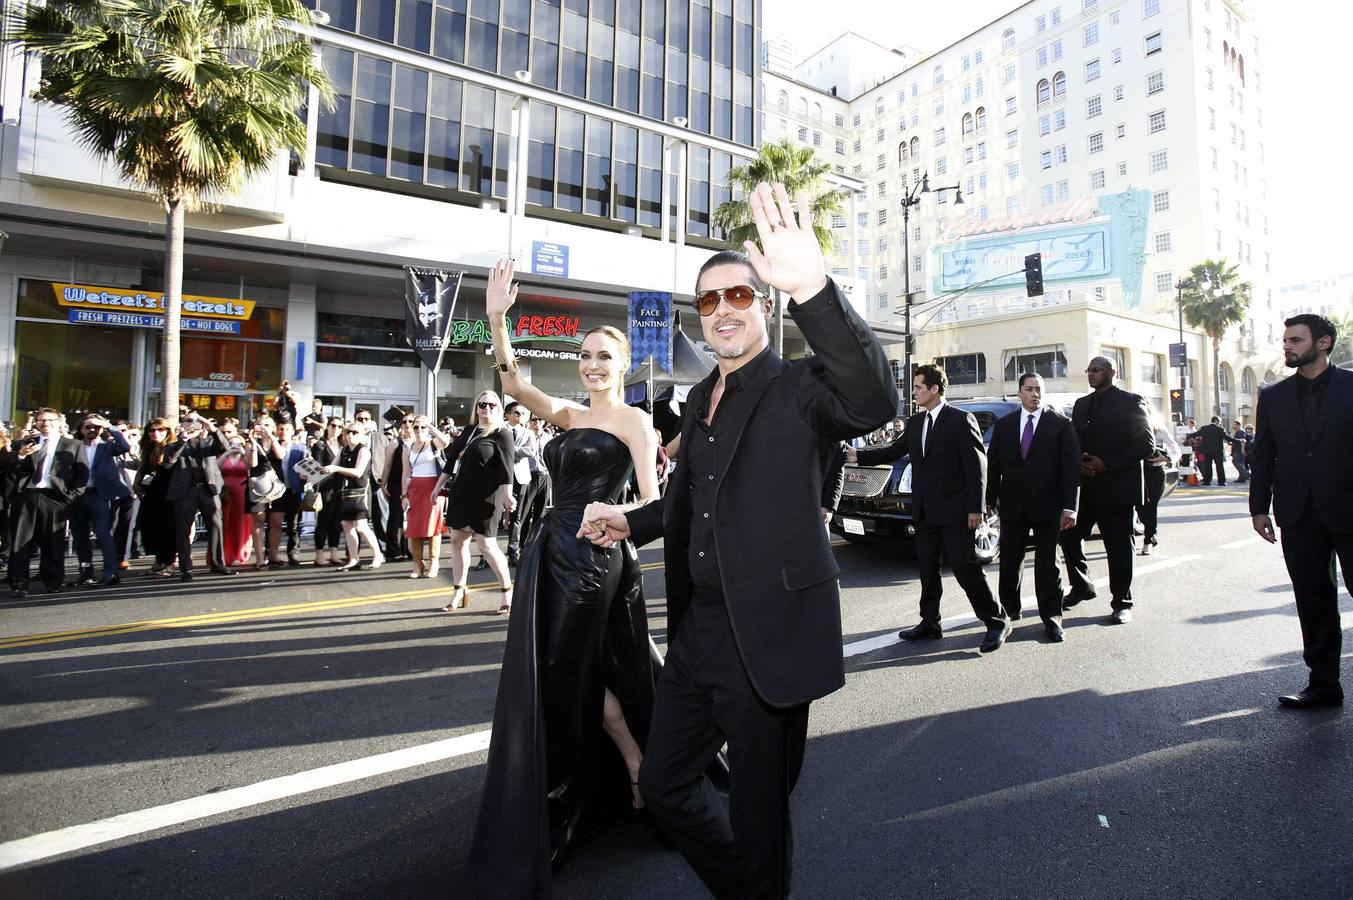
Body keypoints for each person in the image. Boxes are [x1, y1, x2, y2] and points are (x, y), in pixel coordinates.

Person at [578, 183, 896, 899]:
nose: (722, 310)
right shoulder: (698, 400)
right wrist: (631, 519)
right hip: (699, 632)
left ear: (766, 305)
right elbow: (691, 500)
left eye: (739, 296)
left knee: (758, 815)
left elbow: (874, 399)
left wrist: (812, 284)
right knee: (661, 786)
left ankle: (757, 886)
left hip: (770, 636)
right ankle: (748, 889)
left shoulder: (802, 388)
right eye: (710, 301)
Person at [467, 258, 665, 898]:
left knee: (561, 677)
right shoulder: (569, 416)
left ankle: (560, 811)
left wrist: (619, 516)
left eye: (605, 356)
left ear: (625, 363)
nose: (593, 364)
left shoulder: (635, 422)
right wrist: (498, 317)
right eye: (586, 355)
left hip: (594, 560)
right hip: (547, 552)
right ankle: (635, 764)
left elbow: (653, 500)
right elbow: (515, 383)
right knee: (567, 673)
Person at [1250, 313, 1352, 709]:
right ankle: (1324, 685)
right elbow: (1264, 456)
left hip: (1350, 509)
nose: (1287, 346)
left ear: (1323, 343)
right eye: (1285, 340)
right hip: (1298, 514)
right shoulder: (1272, 396)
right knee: (1313, 602)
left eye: (1295, 340)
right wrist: (1259, 507)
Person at [892, 364, 1011, 652]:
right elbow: (894, 450)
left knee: (964, 568)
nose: (915, 391)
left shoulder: (959, 419)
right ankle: (930, 623)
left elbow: (977, 466)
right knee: (927, 569)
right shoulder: (916, 423)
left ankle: (997, 621)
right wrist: (858, 455)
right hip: (924, 511)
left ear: (934, 389)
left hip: (956, 512)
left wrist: (976, 508)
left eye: (919, 386)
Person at [986, 373, 1080, 641]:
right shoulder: (1004, 426)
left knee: (1048, 563)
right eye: (1029, 389)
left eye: (1039, 389)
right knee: (1010, 561)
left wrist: (1069, 507)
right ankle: (1010, 612)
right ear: (1019, 393)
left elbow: (1070, 470)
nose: (1035, 394)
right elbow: (994, 465)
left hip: (1048, 506)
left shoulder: (1060, 424)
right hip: (1013, 505)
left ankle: (1052, 618)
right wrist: (988, 500)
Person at [1059, 356, 1153, 624]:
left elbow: (1146, 444)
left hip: (1117, 487)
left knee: (1119, 548)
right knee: (1067, 537)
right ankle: (1082, 586)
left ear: (1112, 372)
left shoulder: (1130, 401)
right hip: (1085, 488)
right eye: (1088, 370)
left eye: (1097, 370)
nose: (1091, 374)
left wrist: (1106, 465)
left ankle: (1122, 601)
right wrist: (1080, 461)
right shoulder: (1081, 404)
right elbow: (1074, 439)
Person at [433, 390, 516, 613]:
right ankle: (459, 590)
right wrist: (438, 486)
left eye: (491, 404)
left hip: (488, 495)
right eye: (482, 404)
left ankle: (507, 592)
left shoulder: (502, 434)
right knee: (457, 540)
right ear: (476, 408)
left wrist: (508, 495)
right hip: (462, 493)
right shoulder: (468, 431)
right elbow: (451, 461)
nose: (486, 408)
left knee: (486, 544)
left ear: (498, 408)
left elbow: (507, 468)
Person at [7, 408, 87, 597]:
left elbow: (82, 473)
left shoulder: (73, 445)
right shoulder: (26, 443)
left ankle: (53, 581)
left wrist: (71, 495)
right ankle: (19, 583)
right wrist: (21, 455)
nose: (45, 423)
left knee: (53, 541)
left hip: (55, 497)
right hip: (27, 496)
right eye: (41, 420)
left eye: (49, 420)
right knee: (21, 541)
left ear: (59, 422)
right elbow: (9, 467)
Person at [164, 412, 235, 582]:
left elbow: (226, 449)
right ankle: (186, 569)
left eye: (196, 421)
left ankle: (218, 563)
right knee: (183, 531)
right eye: (189, 421)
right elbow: (168, 462)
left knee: (216, 527)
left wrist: (212, 428)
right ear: (182, 425)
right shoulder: (175, 444)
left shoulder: (209, 443)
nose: (193, 424)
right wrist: (184, 439)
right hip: (185, 492)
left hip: (208, 490)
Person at [68, 414, 131, 586]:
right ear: (81, 429)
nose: (92, 430)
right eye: (88, 427)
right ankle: (86, 571)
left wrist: (109, 425)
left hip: (99, 494)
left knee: (103, 533)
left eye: (96, 427)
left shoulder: (107, 447)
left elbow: (124, 446)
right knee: (80, 535)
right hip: (77, 494)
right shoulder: (74, 446)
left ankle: (111, 572)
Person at [320, 422, 384, 570]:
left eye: (355, 432)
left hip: (360, 492)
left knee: (361, 526)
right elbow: (331, 468)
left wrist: (335, 468)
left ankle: (378, 554)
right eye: (348, 432)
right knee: (347, 526)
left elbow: (358, 472)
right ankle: (354, 558)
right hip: (346, 492)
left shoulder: (363, 451)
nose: (350, 435)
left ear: (362, 435)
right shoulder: (343, 451)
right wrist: (312, 472)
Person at [400, 414, 451, 578]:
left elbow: (445, 442)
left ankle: (434, 562)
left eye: (423, 427)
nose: (419, 430)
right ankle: (417, 563)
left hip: (433, 488)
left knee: (433, 526)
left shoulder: (433, 443)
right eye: (416, 427)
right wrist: (404, 495)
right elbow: (406, 473)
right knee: (414, 527)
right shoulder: (407, 447)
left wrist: (431, 427)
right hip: (415, 488)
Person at [134, 418, 178, 576]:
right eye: (151, 430)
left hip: (169, 493)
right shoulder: (148, 449)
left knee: (168, 529)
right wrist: (137, 484)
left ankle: (170, 563)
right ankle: (159, 561)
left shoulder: (172, 448)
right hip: (151, 493)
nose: (155, 433)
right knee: (149, 526)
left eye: (160, 430)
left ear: (167, 431)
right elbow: (142, 469)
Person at [1137, 409, 1180, 557]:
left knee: (1151, 505)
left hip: (1156, 471)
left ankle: (1148, 540)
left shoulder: (1160, 430)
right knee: (1139, 506)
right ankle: (1152, 531)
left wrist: (1166, 459)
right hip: (1138, 471)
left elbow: (1175, 450)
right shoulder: (1134, 428)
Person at [503, 400, 538, 567]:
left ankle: (513, 551)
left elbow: (531, 451)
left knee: (517, 516)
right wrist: (516, 449)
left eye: (522, 413)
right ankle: (485, 555)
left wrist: (510, 449)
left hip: (521, 476)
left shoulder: (528, 432)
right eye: (516, 412)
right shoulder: (500, 429)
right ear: (508, 414)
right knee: (493, 515)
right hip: (501, 475)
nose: (520, 416)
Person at [310, 417, 347, 565]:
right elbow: (316, 468)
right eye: (333, 425)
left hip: (340, 487)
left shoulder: (343, 445)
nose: (336, 429)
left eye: (339, 427)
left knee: (336, 522)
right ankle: (319, 554)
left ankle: (334, 552)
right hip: (325, 488)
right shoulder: (320, 445)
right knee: (323, 521)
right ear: (327, 426)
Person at [516, 414, 553, 543]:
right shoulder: (525, 436)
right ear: (529, 422)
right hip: (529, 476)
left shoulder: (549, 438)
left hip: (545, 475)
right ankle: (522, 542)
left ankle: (536, 542)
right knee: (525, 510)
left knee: (541, 511)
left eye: (539, 419)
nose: (537, 422)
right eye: (534, 420)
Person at [219, 431, 254, 567]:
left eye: (238, 444)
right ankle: (222, 554)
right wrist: (227, 453)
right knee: (224, 523)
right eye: (232, 443)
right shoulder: (224, 456)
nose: (235, 446)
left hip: (241, 493)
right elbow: (216, 467)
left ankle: (237, 554)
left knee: (239, 523)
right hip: (225, 493)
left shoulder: (245, 458)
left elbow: (250, 467)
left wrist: (244, 453)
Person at [382, 416, 413, 561]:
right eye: (404, 422)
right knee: (395, 517)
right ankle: (393, 550)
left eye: (410, 422)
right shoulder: (395, 443)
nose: (407, 424)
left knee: (411, 517)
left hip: (413, 483)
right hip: (396, 483)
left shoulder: (418, 442)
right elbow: (387, 464)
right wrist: (383, 484)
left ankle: (409, 547)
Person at [1186, 415, 1231, 485]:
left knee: (1207, 466)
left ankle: (1207, 481)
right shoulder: (1220, 429)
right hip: (1217, 451)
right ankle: (1221, 481)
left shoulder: (1204, 428)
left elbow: (1195, 434)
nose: (1219, 423)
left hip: (1206, 451)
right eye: (1219, 422)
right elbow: (1228, 438)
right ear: (1216, 421)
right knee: (1219, 466)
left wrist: (1187, 436)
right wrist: (1239, 441)